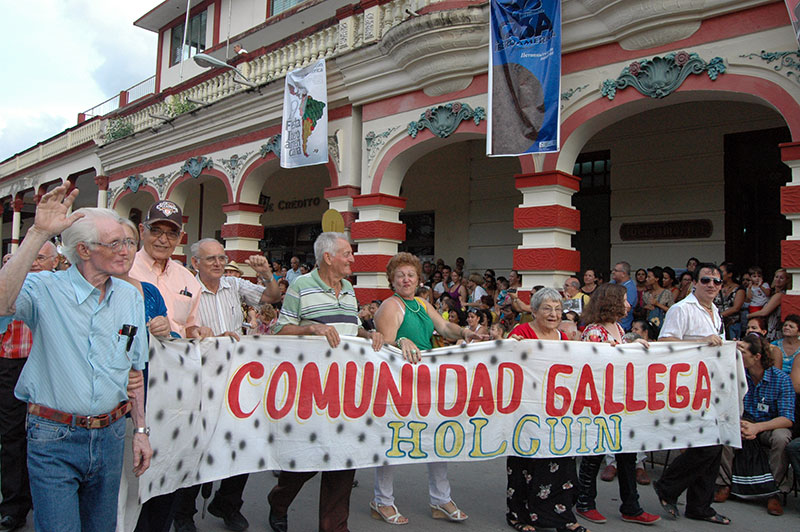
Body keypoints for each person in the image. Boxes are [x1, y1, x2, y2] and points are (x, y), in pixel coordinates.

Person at [0, 185, 151, 531]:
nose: (126, 251)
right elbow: (2, 302)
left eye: (128, 242)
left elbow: (135, 371)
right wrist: (38, 233)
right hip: (54, 436)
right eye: (115, 244)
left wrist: (140, 430)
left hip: (111, 436)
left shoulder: (130, 296)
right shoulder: (44, 288)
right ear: (83, 249)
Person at [267, 233, 384, 532]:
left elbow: (350, 328)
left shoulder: (348, 289)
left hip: (346, 390)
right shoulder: (301, 286)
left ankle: (334, 527)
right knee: (304, 461)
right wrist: (310, 329)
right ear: (328, 257)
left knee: (344, 462)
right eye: (347, 254)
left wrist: (369, 334)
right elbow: (279, 330)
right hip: (310, 389)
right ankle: (279, 502)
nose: (352, 259)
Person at [173, 239, 280, 532]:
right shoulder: (186, 289)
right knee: (197, 448)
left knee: (242, 445)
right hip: (200, 380)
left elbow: (270, 297)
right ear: (196, 263)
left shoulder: (234, 285)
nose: (219, 264)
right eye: (211, 260)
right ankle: (183, 514)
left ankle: (228, 504)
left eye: (222, 258)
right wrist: (199, 333)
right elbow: (176, 329)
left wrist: (267, 275)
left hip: (236, 378)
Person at [369, 252, 480, 525]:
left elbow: (444, 327)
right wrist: (403, 340)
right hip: (399, 382)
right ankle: (381, 500)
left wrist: (465, 332)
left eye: (411, 275)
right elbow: (385, 346)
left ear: (419, 279)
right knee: (393, 438)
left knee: (437, 435)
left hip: (428, 378)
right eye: (400, 276)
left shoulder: (421, 303)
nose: (406, 280)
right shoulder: (390, 306)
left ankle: (441, 499)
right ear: (392, 281)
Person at [573, 284, 659, 526]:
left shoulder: (618, 328)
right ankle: (585, 502)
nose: (629, 304)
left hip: (619, 400)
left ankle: (631, 505)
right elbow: (592, 364)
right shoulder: (594, 331)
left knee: (627, 454)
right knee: (594, 453)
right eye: (623, 300)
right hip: (600, 402)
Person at [654, 263, 729, 525]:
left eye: (716, 282)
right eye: (706, 280)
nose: (711, 285)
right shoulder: (681, 309)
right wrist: (700, 342)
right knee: (708, 445)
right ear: (694, 283)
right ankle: (668, 486)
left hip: (712, 385)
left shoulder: (715, 312)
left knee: (715, 444)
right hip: (687, 386)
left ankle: (700, 505)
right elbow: (664, 345)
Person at [506, 288, 586, 532]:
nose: (553, 314)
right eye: (547, 308)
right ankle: (519, 516)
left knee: (561, 465)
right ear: (534, 310)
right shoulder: (522, 333)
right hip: (527, 411)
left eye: (558, 309)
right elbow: (506, 363)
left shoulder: (563, 339)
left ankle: (562, 518)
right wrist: (509, 346)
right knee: (527, 464)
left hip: (558, 413)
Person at [0, 241, 58, 530]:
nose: (34, 262)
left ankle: (42, 497)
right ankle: (13, 504)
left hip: (48, 366)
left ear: (54, 263)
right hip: (12, 362)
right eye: (30, 257)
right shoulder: (11, 280)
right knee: (12, 435)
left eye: (41, 258)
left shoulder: (57, 287)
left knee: (46, 436)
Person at [714, 334, 794, 515]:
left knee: (782, 437)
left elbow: (787, 418)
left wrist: (758, 428)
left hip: (769, 424)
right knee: (724, 428)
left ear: (757, 357)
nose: (738, 356)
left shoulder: (781, 379)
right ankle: (724, 483)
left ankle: (774, 491)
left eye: (742, 353)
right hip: (745, 420)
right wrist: (740, 423)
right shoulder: (737, 375)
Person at [130, 201, 202, 338]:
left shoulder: (189, 280)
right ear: (141, 231)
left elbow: (188, 326)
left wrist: (196, 332)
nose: (163, 239)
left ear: (180, 238)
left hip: (176, 356)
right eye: (155, 231)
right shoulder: (125, 271)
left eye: (172, 234)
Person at [749, 268, 790, 342]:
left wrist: (748, 316)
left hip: (774, 330)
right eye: (776, 277)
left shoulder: (780, 295)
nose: (778, 279)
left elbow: (764, 312)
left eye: (782, 278)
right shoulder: (772, 293)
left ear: (787, 280)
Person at [714, 262, 744, 340]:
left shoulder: (739, 289)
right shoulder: (717, 287)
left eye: (721, 271)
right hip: (717, 324)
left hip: (732, 324)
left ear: (730, 274)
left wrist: (719, 316)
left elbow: (736, 308)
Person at [610, 262, 636, 331]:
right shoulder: (611, 284)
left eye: (616, 270)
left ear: (623, 274)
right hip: (609, 324)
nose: (613, 272)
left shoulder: (630, 288)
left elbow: (627, 308)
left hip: (622, 326)